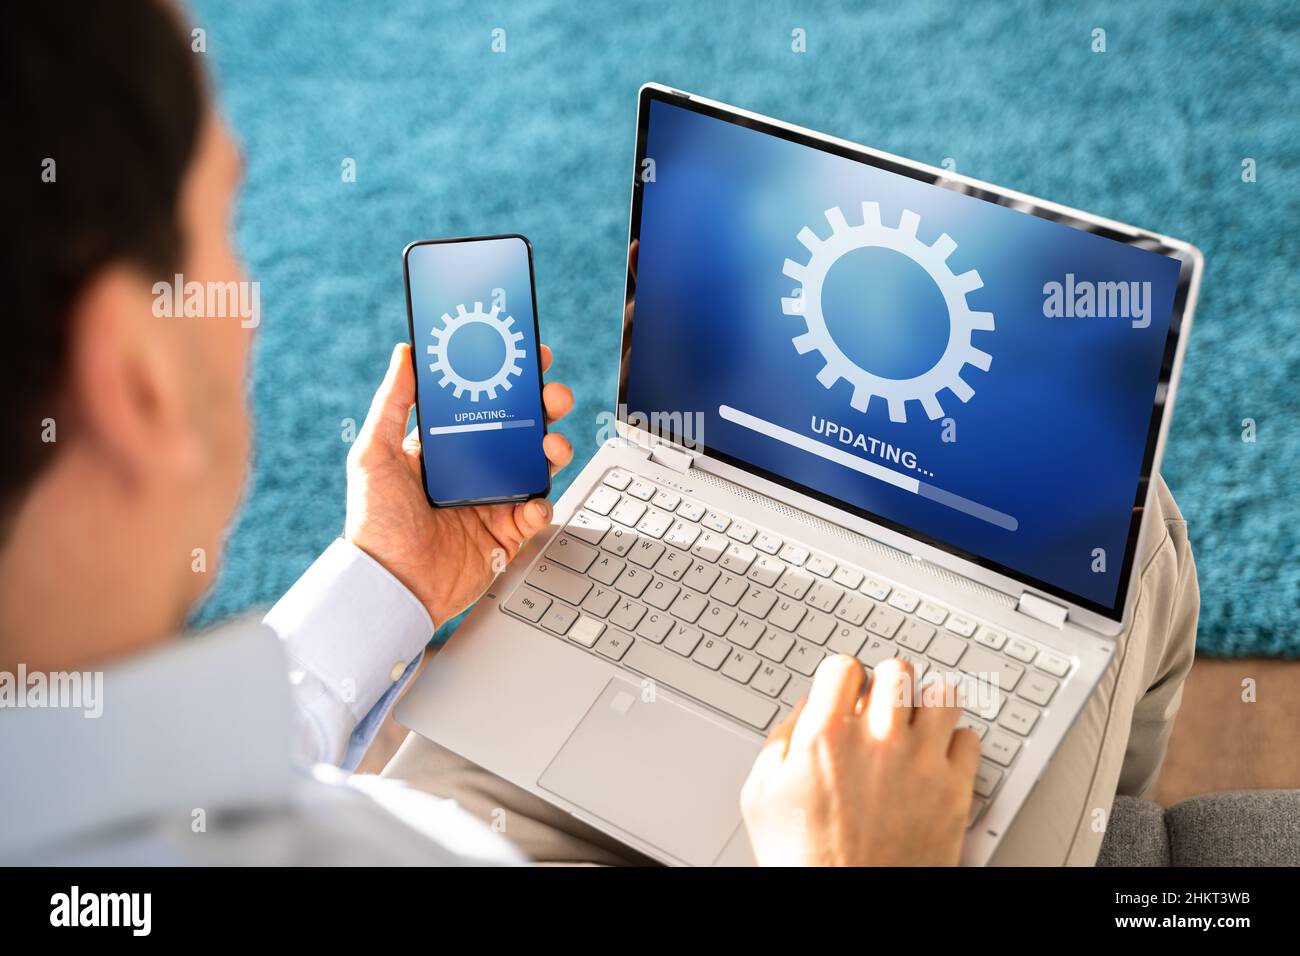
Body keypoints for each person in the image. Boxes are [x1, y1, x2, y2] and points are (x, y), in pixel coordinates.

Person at [0, 2, 1199, 867]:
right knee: (1132, 530)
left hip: (456, 804)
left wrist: (385, 584)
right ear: (136, 374)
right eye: (224, 220)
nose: (243, 299)